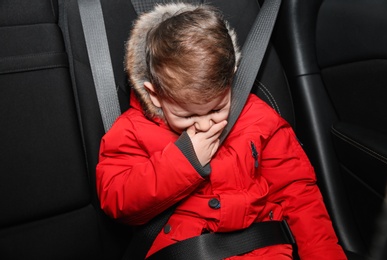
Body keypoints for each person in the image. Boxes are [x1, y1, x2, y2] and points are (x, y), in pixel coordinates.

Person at [96, 3, 347, 259]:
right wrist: (184, 160)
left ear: (231, 79)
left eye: (216, 109)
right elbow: (118, 199)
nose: (205, 125)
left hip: (264, 249)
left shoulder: (257, 118)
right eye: (188, 115)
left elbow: (298, 192)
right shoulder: (133, 130)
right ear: (155, 95)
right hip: (186, 251)